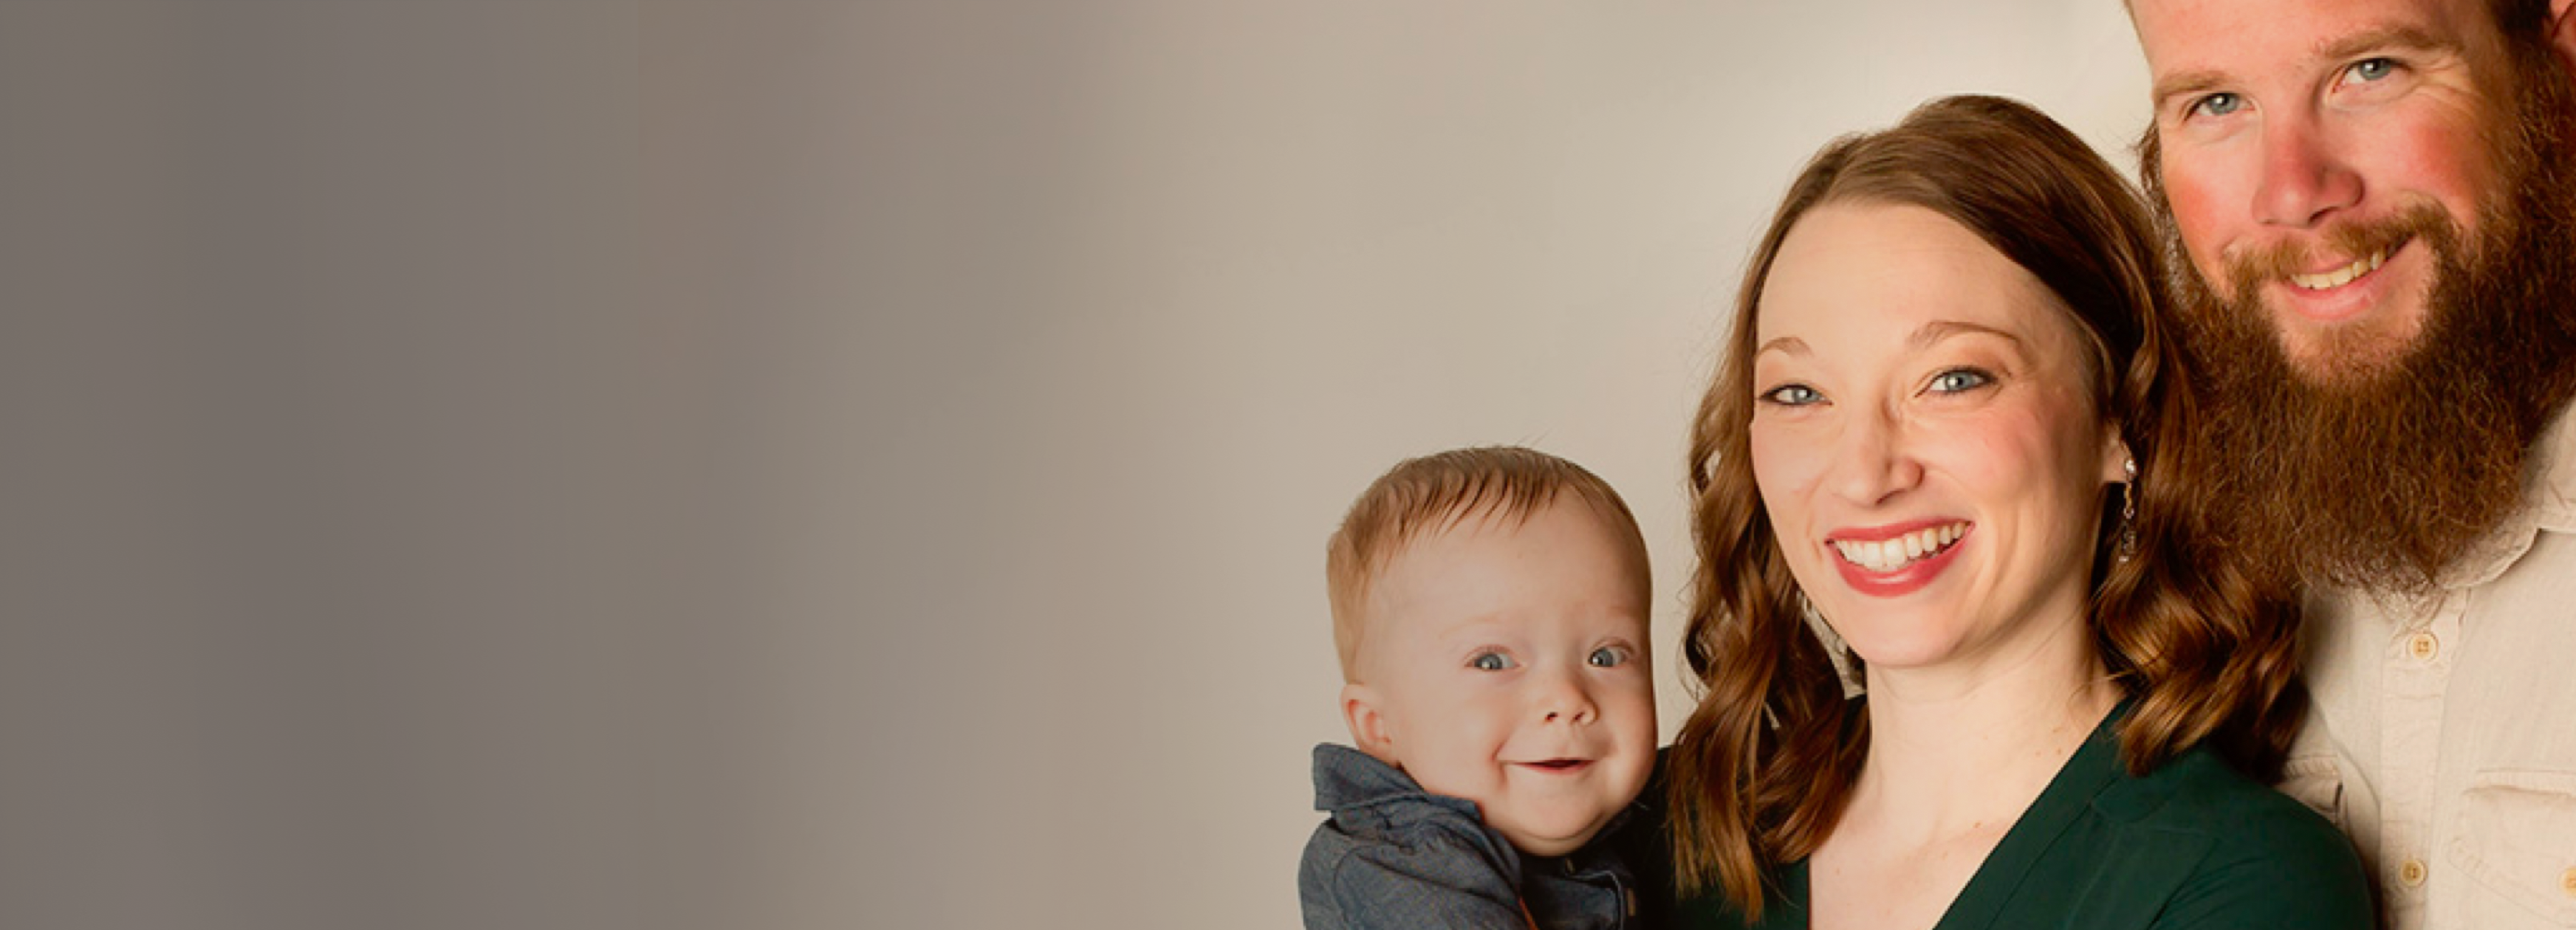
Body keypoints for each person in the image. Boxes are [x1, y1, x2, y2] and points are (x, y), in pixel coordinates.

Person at [1663, 95, 2371, 930]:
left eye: (1955, 379)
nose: (1864, 473)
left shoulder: (2244, 881)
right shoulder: (1666, 831)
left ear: (2122, 421)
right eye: (1798, 392)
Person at [2126, 1, 2576, 927]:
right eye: (2216, 102)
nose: (2291, 192)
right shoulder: (2167, 573)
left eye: (2369, 71)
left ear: (2558, 52)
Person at [1301, 446, 1664, 930]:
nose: (1566, 699)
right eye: (1492, 661)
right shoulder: (1402, 868)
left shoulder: (1654, 817)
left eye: (1605, 656)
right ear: (1379, 726)